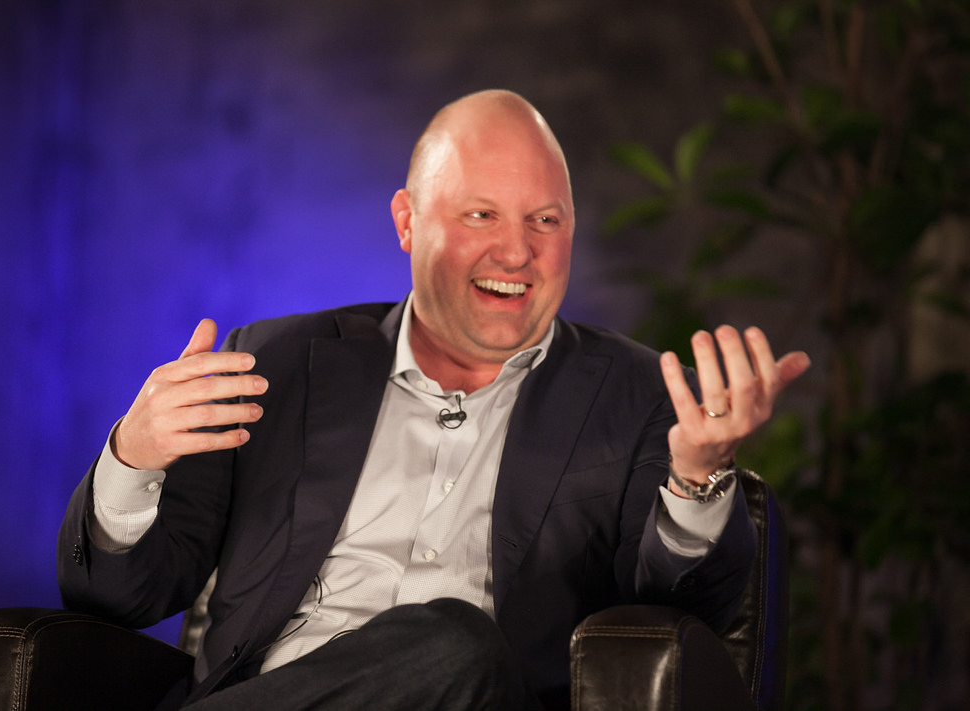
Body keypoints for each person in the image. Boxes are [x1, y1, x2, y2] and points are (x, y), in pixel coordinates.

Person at [58, 89, 810, 710]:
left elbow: (686, 614)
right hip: (263, 690)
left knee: (454, 642)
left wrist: (698, 477)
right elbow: (119, 595)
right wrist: (134, 456)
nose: (517, 251)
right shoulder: (275, 363)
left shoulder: (636, 392)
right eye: (480, 215)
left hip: (479, 693)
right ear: (407, 222)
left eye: (545, 219)